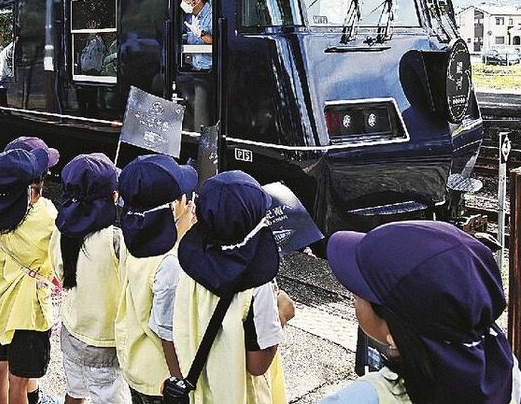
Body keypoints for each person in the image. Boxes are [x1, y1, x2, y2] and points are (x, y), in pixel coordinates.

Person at [323, 220, 521, 404]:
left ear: (396, 337)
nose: (353, 298)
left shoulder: (360, 398)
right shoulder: (506, 368)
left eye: (359, 295)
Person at [173, 171, 283, 404]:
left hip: (197, 390)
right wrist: (281, 315)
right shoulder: (257, 288)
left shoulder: (188, 263)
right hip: (238, 395)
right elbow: (257, 366)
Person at [115, 154, 197, 404]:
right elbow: (165, 331)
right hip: (160, 378)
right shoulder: (169, 264)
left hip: (134, 361)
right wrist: (180, 380)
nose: (192, 202)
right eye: (187, 197)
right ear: (174, 206)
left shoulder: (133, 240)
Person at [49, 154, 129, 404]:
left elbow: (58, 271)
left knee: (75, 394)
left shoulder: (61, 233)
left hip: (71, 334)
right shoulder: (115, 241)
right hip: (105, 344)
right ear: (112, 197)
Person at [0, 143, 59, 404]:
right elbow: (58, 259)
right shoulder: (46, 215)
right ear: (32, 188)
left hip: (0, 307)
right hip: (28, 314)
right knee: (19, 381)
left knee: (0, 363)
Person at [179, 0, 213, 131]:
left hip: (207, 72)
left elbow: (214, 40)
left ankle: (201, 134)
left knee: (200, 95)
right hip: (194, 68)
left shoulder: (211, 14)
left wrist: (200, 33)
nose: (183, 2)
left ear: (197, 0)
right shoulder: (191, 16)